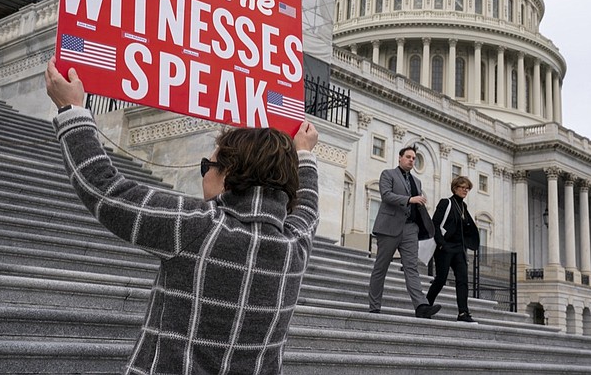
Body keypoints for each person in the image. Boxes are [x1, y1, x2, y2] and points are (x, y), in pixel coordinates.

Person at [44, 58, 319, 375]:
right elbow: (308, 206)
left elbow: (105, 189)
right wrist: (305, 154)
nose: (203, 176)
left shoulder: (198, 225)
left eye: (207, 166)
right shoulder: (294, 245)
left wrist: (73, 109)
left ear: (229, 173)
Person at [368, 145, 442, 318]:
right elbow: (386, 195)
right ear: (400, 158)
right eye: (408, 157)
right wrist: (410, 199)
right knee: (381, 268)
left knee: (412, 268)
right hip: (389, 227)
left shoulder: (417, 182)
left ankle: (421, 306)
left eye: (414, 158)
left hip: (410, 229)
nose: (411, 160)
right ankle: (374, 306)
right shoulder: (388, 174)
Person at [426, 175, 480, 323]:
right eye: (462, 187)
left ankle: (463, 313)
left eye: (467, 188)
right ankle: (425, 305)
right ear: (455, 188)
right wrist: (442, 244)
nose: (465, 190)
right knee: (441, 279)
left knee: (462, 280)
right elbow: (434, 224)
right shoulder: (446, 203)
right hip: (445, 248)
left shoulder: (464, 207)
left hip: (459, 250)